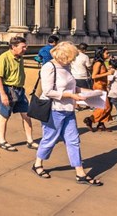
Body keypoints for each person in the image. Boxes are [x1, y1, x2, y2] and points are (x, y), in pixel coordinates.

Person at [31, 41, 103, 185]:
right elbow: (48, 91)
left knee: (73, 140)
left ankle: (80, 173)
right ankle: (38, 164)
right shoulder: (49, 67)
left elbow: (73, 88)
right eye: (71, 57)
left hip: (68, 110)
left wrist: (92, 93)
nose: (73, 60)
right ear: (64, 55)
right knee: (49, 139)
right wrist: (71, 96)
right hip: (54, 110)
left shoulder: (66, 66)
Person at [0, 36, 37, 151]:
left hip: (19, 90)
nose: (25, 49)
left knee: (26, 115)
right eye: (23, 47)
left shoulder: (20, 57)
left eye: (25, 47)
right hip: (8, 90)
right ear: (14, 47)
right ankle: (2, 141)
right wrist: (3, 94)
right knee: (4, 116)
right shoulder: (3, 58)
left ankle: (30, 140)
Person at [85, 47, 114, 132]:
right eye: (106, 53)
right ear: (101, 54)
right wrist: (108, 73)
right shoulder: (98, 63)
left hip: (103, 86)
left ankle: (101, 125)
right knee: (107, 107)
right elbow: (94, 76)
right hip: (99, 86)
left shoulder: (101, 63)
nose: (108, 54)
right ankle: (90, 119)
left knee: (102, 106)